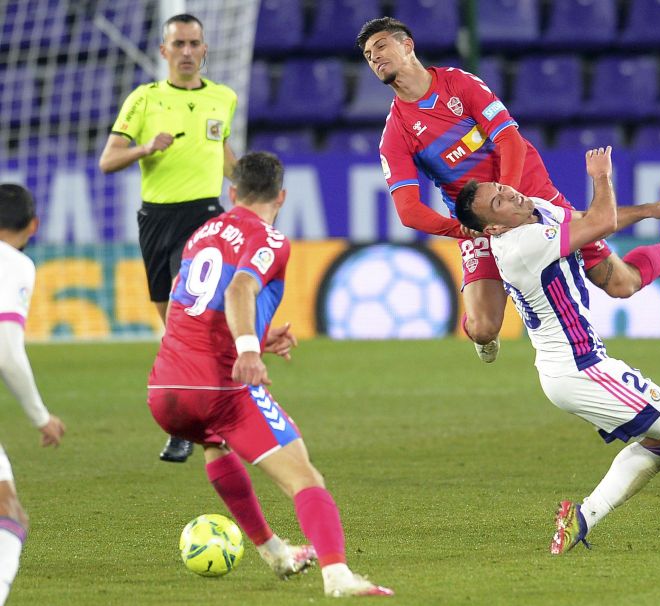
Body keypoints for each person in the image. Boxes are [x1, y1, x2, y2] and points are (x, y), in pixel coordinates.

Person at [454, 148, 660, 555]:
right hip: (578, 369)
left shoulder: (533, 212)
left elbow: (590, 222)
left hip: (580, 364)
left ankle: (583, 517)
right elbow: (599, 221)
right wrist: (601, 176)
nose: (511, 195)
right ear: (490, 229)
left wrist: (651, 209)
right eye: (498, 202)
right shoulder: (522, 244)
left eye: (502, 188)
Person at [357, 17, 660, 364]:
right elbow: (408, 210)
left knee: (621, 284)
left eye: (381, 46)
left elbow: (509, 139)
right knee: (482, 328)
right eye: (368, 56)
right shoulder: (396, 134)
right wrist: (465, 228)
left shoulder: (459, 84)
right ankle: (482, 336)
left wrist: (509, 201)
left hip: (531, 199)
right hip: (482, 223)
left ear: (407, 46)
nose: (375, 58)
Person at [146, 152, 392, 597]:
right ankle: (337, 576)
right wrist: (247, 352)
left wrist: (256, 340)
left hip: (164, 387)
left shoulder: (201, 233)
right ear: (281, 196)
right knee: (305, 478)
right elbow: (241, 287)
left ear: (232, 192)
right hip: (219, 387)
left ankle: (275, 551)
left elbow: (195, 311)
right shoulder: (269, 238)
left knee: (213, 440)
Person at [99, 13, 239, 463]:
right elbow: (108, 159)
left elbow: (222, 150)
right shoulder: (143, 100)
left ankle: (205, 422)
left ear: (204, 49)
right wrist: (145, 148)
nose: (185, 52)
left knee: (186, 317)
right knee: (171, 331)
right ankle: (184, 419)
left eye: (193, 43)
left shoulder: (223, 97)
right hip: (155, 220)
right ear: (163, 51)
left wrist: (248, 188)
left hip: (205, 217)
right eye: (177, 44)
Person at [0, 184, 67, 605]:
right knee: (9, 514)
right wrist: (41, 416)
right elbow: (6, 349)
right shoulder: (14, 264)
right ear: (33, 226)